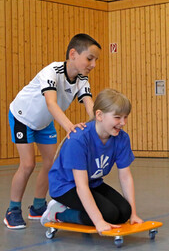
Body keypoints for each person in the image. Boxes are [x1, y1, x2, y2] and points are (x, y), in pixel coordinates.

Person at [4, 33, 101, 229]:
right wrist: (69, 127)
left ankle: (38, 206)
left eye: (96, 60)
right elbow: (51, 103)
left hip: (44, 122)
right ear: (73, 54)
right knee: (28, 164)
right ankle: (12, 210)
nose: (93, 64)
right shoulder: (52, 71)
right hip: (22, 117)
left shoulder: (82, 80)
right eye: (90, 58)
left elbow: (90, 105)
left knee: (51, 163)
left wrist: (99, 126)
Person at [41, 89, 143, 233]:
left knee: (124, 212)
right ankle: (58, 213)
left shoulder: (122, 138)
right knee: (109, 215)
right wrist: (99, 221)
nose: (123, 122)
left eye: (125, 117)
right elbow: (81, 186)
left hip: (92, 182)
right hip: (66, 187)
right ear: (99, 115)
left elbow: (125, 176)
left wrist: (133, 214)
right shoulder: (79, 139)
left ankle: (119, 213)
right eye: (117, 117)